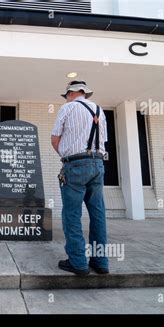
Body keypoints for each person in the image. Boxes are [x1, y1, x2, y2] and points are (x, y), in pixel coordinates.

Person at [50, 80, 109, 275]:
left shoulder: (67, 108)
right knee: (98, 213)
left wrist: (66, 156)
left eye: (66, 94)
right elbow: (103, 141)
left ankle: (78, 262)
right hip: (98, 164)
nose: (66, 97)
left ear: (71, 93)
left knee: (71, 214)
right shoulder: (100, 110)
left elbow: (55, 138)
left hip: (75, 165)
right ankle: (100, 262)